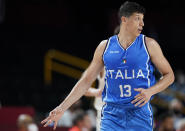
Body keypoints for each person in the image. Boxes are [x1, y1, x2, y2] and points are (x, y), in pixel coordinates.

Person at [41, 1, 174, 131]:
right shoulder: (104, 47)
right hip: (111, 115)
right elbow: (86, 80)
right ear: (124, 20)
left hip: (139, 113)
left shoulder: (149, 44)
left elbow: (169, 75)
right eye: (137, 19)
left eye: (143, 19)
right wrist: (61, 108)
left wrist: (151, 91)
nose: (142, 24)